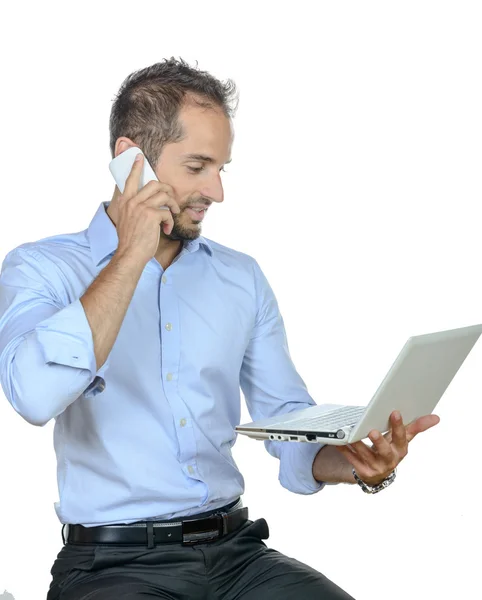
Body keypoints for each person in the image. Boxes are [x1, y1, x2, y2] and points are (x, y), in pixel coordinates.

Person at [0, 58, 439, 600]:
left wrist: (357, 466)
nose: (217, 191)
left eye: (221, 169)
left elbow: (287, 423)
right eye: (198, 166)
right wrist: (131, 255)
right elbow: (33, 396)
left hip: (238, 557)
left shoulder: (240, 277)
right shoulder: (41, 269)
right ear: (129, 159)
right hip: (112, 567)